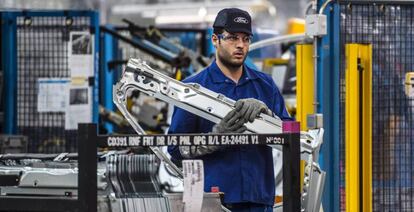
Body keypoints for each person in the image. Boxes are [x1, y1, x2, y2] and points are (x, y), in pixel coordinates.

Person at [168, 8, 292, 212]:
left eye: (246, 38)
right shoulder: (193, 89)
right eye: (232, 38)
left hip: (258, 199)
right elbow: (175, 149)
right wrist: (214, 138)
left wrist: (268, 116)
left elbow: (290, 136)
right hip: (213, 201)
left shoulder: (265, 85)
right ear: (215, 40)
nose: (240, 45)